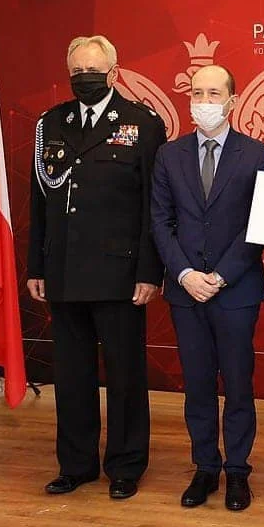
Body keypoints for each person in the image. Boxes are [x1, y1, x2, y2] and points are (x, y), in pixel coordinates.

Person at [27, 34, 165, 500]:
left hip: (120, 274)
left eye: (93, 70)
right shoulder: (51, 123)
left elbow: (153, 206)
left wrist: (149, 271)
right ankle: (76, 464)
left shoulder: (141, 123)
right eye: (77, 71)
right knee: (71, 375)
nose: (84, 78)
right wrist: (36, 266)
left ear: (114, 72)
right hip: (64, 271)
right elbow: (40, 202)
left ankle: (126, 465)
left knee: (125, 376)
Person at [150, 65, 264, 512]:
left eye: (214, 93)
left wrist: (221, 276)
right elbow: (160, 221)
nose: (204, 101)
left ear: (232, 101)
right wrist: (185, 273)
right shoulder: (169, 155)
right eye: (197, 93)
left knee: (238, 383)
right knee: (198, 384)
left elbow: (259, 223)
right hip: (185, 291)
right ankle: (205, 466)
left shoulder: (256, 154)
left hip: (236, 290)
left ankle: (238, 470)